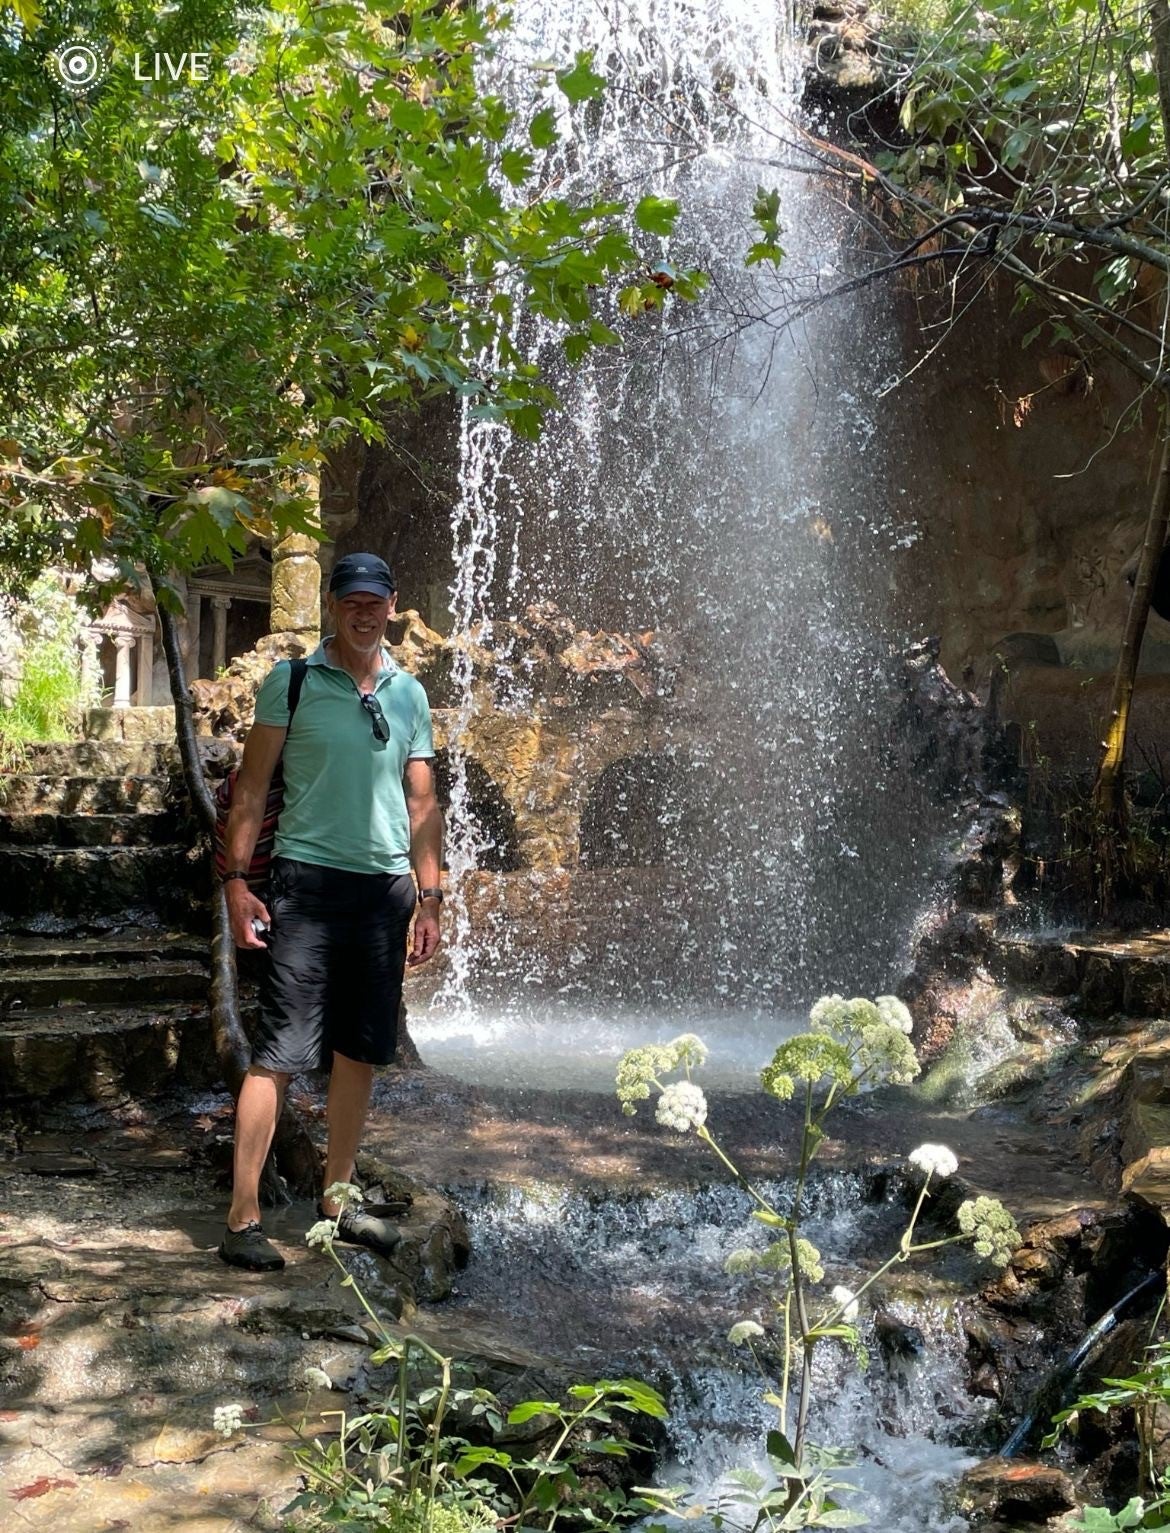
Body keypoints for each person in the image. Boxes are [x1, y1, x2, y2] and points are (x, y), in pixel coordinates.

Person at [217, 551, 443, 1272]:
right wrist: (236, 882)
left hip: (383, 895)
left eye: (376, 599)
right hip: (306, 887)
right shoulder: (295, 682)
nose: (365, 610)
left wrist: (431, 895)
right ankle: (243, 1216)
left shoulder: (410, 694)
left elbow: (422, 804)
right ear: (334, 605)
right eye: (353, 599)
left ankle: (337, 1202)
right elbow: (251, 789)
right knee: (278, 1054)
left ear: (392, 603)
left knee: (359, 1051)